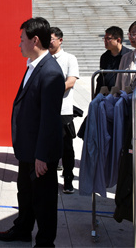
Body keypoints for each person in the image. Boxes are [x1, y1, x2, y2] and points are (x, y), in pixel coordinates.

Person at [0, 17, 65, 246]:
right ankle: (23, 229)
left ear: (34, 40)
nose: (19, 44)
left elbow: (50, 118)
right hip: (28, 148)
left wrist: (42, 155)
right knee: (25, 193)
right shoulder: (34, 65)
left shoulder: (50, 72)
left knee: (43, 200)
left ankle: (45, 242)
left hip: (40, 152)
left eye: (21, 39)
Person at [49, 27, 80, 194]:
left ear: (60, 40)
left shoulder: (69, 58)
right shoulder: (43, 58)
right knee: (48, 146)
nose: (48, 42)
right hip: (46, 110)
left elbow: (71, 82)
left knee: (67, 148)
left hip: (63, 110)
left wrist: (50, 91)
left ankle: (68, 180)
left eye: (51, 39)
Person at [95, 26, 132, 94]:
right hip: (107, 95)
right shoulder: (104, 57)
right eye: (104, 38)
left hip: (124, 94)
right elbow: (101, 78)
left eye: (108, 38)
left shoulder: (129, 55)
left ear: (118, 40)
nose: (105, 41)